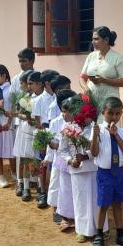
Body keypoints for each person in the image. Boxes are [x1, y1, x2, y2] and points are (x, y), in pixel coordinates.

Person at [59, 102, 107, 243]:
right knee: (80, 201)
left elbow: (100, 150)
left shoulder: (96, 129)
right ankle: (81, 230)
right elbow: (63, 150)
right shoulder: (69, 128)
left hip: (94, 169)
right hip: (77, 170)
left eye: (88, 115)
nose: (85, 118)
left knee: (96, 200)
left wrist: (86, 156)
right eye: (82, 115)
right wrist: (70, 160)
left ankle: (101, 229)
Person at [90, 97, 123, 246]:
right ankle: (99, 234)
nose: (114, 117)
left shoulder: (122, 132)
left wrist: (116, 135)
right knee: (103, 204)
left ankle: (120, 234)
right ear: (103, 113)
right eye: (110, 113)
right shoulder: (98, 130)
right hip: (105, 173)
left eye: (117, 114)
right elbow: (94, 153)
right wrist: (94, 136)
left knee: (118, 204)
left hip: (119, 173)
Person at [45, 89, 76, 224]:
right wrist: (48, 157)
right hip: (59, 159)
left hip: (70, 159)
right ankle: (55, 209)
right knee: (56, 184)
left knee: (68, 188)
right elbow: (51, 141)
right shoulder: (56, 122)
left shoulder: (76, 123)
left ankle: (68, 213)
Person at [80, 26, 123, 107]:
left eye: (96, 39)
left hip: (109, 103)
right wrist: (86, 89)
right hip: (91, 101)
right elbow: (82, 77)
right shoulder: (91, 56)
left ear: (106, 40)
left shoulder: (118, 58)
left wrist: (104, 80)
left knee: (105, 120)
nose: (93, 42)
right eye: (92, 39)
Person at [32, 69, 58, 208]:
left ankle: (56, 191)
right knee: (43, 162)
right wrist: (45, 138)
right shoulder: (39, 100)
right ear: (47, 83)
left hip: (57, 135)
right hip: (44, 135)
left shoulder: (58, 97)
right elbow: (37, 121)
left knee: (56, 164)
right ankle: (42, 190)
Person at [13, 71, 41, 200]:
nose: (28, 86)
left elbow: (40, 118)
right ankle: (25, 188)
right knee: (25, 159)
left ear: (39, 84)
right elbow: (21, 115)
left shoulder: (42, 98)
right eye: (27, 84)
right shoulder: (27, 98)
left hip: (38, 131)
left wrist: (33, 120)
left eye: (31, 84)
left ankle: (40, 187)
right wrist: (25, 117)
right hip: (27, 129)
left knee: (37, 160)